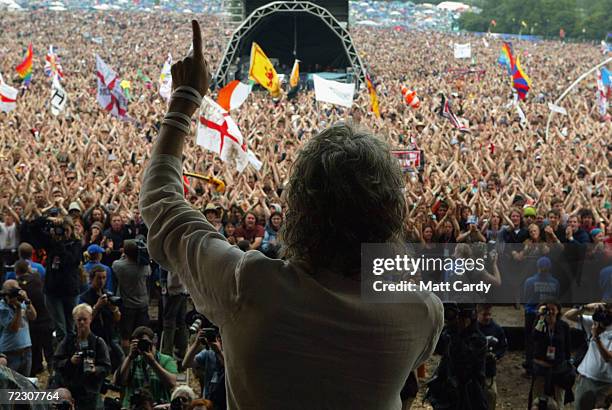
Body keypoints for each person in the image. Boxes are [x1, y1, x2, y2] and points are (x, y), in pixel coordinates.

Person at [138, 20, 443, 410]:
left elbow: (161, 206)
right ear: (390, 214)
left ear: (298, 209)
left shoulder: (250, 285)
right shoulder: (421, 312)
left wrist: (183, 101)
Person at [425, 303, 488, 410]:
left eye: (461, 318)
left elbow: (464, 360)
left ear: (469, 319)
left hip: (469, 390)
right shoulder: (449, 332)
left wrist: (457, 334)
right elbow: (437, 349)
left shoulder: (479, 339)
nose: (458, 321)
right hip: (447, 387)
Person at [53, 303, 111, 410]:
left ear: (91, 319)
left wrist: (95, 369)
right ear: (75, 321)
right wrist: (70, 362)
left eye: (85, 319)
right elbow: (56, 363)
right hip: (69, 391)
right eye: (79, 320)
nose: (82, 323)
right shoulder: (68, 341)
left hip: (90, 393)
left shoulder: (98, 342)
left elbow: (107, 367)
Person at [40, 216, 83, 342]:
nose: (63, 233)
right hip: (53, 291)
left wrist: (60, 244)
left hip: (70, 290)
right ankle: (62, 357)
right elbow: (32, 228)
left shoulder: (76, 244)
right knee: (60, 329)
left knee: (72, 328)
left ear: (71, 230)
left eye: (66, 230)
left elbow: (70, 261)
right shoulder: (51, 242)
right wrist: (47, 219)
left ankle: (73, 353)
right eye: (61, 229)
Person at [114, 326, 178, 409]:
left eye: (145, 342)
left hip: (159, 406)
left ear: (153, 341)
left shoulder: (166, 360)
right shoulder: (132, 360)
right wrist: (130, 357)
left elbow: (172, 383)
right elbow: (119, 381)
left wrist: (153, 362)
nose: (142, 345)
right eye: (138, 343)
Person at [563, 303, 612, 410]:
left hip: (607, 382)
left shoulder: (597, 329)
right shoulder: (595, 322)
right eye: (605, 311)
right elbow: (568, 315)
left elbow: (608, 357)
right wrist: (584, 308)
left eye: (609, 312)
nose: (605, 314)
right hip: (587, 378)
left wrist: (596, 337)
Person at [530, 301, 575, 408]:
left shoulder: (563, 326)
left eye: (552, 309)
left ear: (558, 311)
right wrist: (541, 317)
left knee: (559, 399)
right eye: (547, 309)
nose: (550, 312)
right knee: (537, 399)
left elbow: (567, 346)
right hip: (541, 367)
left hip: (559, 369)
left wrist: (567, 363)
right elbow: (535, 337)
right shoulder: (539, 323)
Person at [79, 265, 124, 371]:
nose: (101, 281)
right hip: (93, 336)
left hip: (109, 334)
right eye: (99, 278)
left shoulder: (108, 295)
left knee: (121, 358)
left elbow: (117, 318)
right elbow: (84, 322)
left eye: (104, 278)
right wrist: (97, 307)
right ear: (91, 279)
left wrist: (113, 309)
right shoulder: (85, 297)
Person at [13, 260, 53, 376]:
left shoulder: (18, 286)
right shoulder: (37, 278)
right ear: (28, 269)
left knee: (35, 351)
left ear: (16, 271)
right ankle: (53, 375)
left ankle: (35, 374)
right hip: (46, 319)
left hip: (33, 323)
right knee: (49, 352)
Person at [523, 257, 561, 374]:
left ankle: (529, 367)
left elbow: (526, 297)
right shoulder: (555, 282)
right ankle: (544, 365)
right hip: (548, 314)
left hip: (532, 313)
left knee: (530, 339)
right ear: (549, 268)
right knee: (546, 339)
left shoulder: (529, 281)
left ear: (537, 266)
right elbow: (556, 299)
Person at [112, 240, 151, 350]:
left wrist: (122, 256)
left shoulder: (120, 266)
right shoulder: (145, 267)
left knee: (126, 336)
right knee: (141, 334)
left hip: (127, 305)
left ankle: (127, 358)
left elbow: (115, 265)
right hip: (143, 304)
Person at [0, 279, 36, 375]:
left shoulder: (23, 302)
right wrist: (18, 308)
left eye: (16, 290)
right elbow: (14, 328)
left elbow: (33, 316)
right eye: (11, 291)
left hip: (26, 350)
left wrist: (27, 300)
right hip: (10, 353)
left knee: (25, 383)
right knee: (12, 386)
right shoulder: (2, 308)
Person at [476, 304, 508, 410]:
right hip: (474, 371)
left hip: (489, 372)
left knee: (491, 396)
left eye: (489, 314)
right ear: (477, 314)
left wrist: (496, 356)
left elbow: (503, 347)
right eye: (484, 314)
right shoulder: (473, 329)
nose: (487, 317)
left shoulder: (497, 329)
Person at [182, 328, 225, 404]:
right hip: (209, 400)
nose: (219, 340)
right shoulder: (209, 353)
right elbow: (186, 364)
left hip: (225, 399)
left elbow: (231, 370)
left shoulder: (231, 352)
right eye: (217, 338)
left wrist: (219, 352)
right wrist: (196, 343)